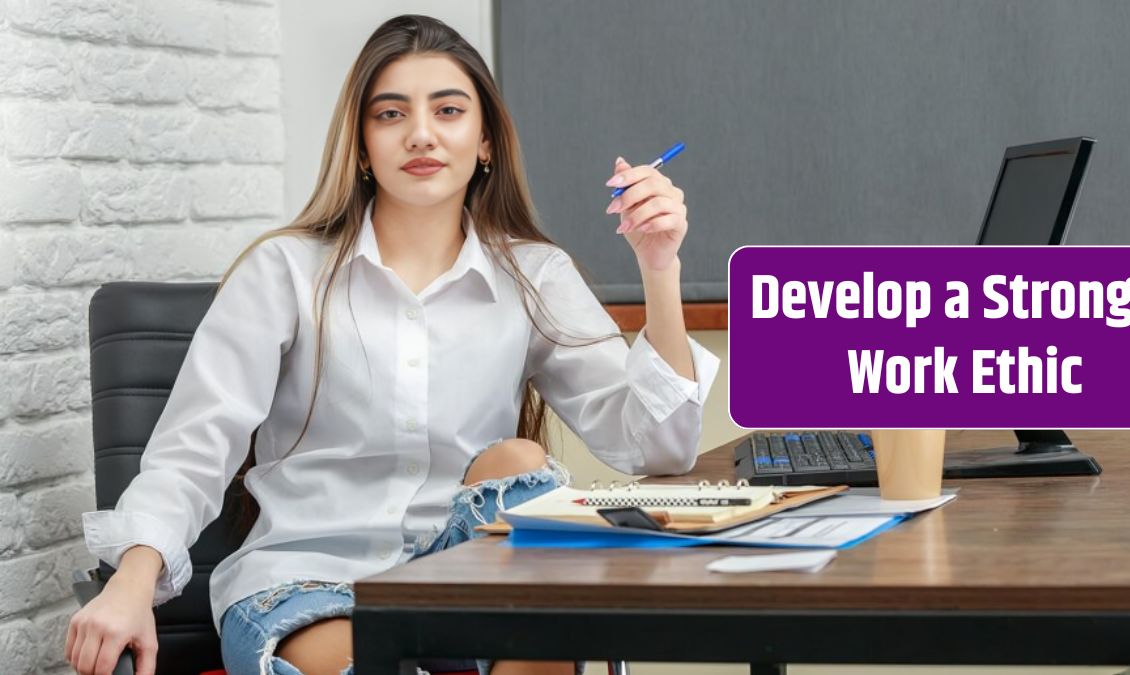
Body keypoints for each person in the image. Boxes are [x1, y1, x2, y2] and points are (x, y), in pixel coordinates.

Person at [65, 14, 718, 675]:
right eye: (390, 113)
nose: (422, 134)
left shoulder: (534, 275)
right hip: (305, 583)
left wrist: (657, 265)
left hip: (471, 580)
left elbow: (656, 444)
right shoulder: (285, 272)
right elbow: (194, 450)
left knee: (517, 459)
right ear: (361, 144)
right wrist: (130, 581)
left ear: (484, 139)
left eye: (449, 109)